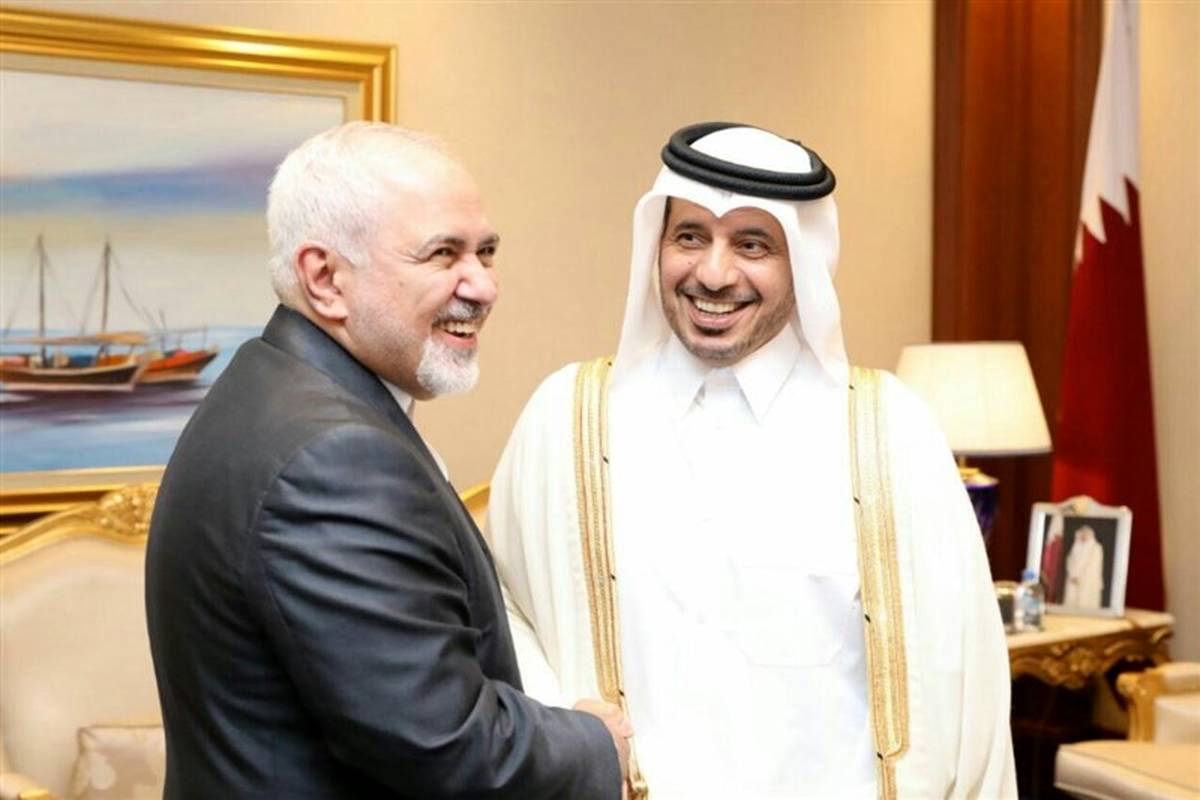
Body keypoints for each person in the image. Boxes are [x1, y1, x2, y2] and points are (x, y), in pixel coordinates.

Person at [488, 122, 1017, 799]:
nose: (713, 274)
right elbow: (502, 621)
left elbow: (965, 687)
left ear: (803, 260)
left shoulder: (891, 434)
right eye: (689, 237)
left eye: (752, 244)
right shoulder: (568, 420)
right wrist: (574, 745)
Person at [145, 122, 628, 799]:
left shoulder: (269, 386)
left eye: (486, 252)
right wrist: (594, 744)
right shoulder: (335, 458)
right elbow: (444, 744)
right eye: (442, 254)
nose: (482, 286)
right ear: (325, 279)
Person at [1064, 525, 1105, 608]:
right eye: (1082, 534)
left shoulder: (1096, 548)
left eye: (1086, 534)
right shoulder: (1076, 546)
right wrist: (1073, 575)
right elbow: (1070, 561)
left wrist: (1079, 576)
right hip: (1073, 579)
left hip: (1087, 580)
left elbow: (1091, 565)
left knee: (1085, 602)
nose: (1083, 536)